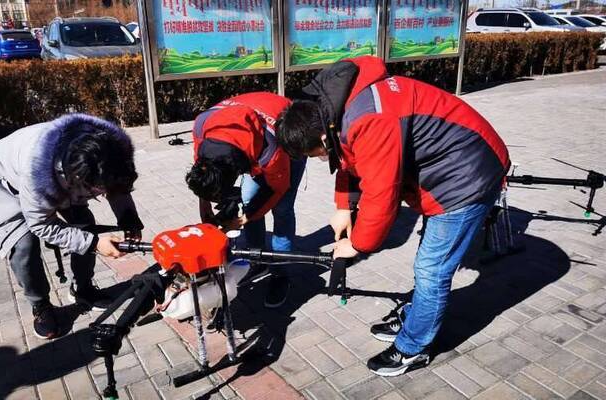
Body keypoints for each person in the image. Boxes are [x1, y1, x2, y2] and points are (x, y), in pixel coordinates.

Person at [276, 56, 510, 376]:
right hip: (451, 165)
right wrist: (344, 206)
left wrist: (357, 245)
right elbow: (348, 156)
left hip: (467, 177)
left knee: (431, 269)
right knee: (430, 261)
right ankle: (417, 314)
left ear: (320, 137)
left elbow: (381, 194)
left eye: (313, 155)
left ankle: (414, 347)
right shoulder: (336, 105)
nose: (318, 160)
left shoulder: (370, 119)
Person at [0, 114, 144, 339]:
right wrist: (95, 243)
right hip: (7, 182)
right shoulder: (34, 170)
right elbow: (41, 224)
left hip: (59, 172)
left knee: (85, 225)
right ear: (78, 177)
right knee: (23, 246)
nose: (101, 194)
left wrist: (128, 219)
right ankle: (41, 305)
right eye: (98, 190)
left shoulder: (113, 148)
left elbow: (116, 184)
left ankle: (83, 289)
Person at [185, 92, 306, 308]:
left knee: (282, 209)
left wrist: (244, 219)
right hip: (246, 136)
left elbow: (277, 189)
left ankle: (280, 274)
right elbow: (202, 170)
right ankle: (257, 259)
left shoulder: (272, 151)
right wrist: (205, 207)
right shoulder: (203, 126)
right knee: (249, 198)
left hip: (287, 130)